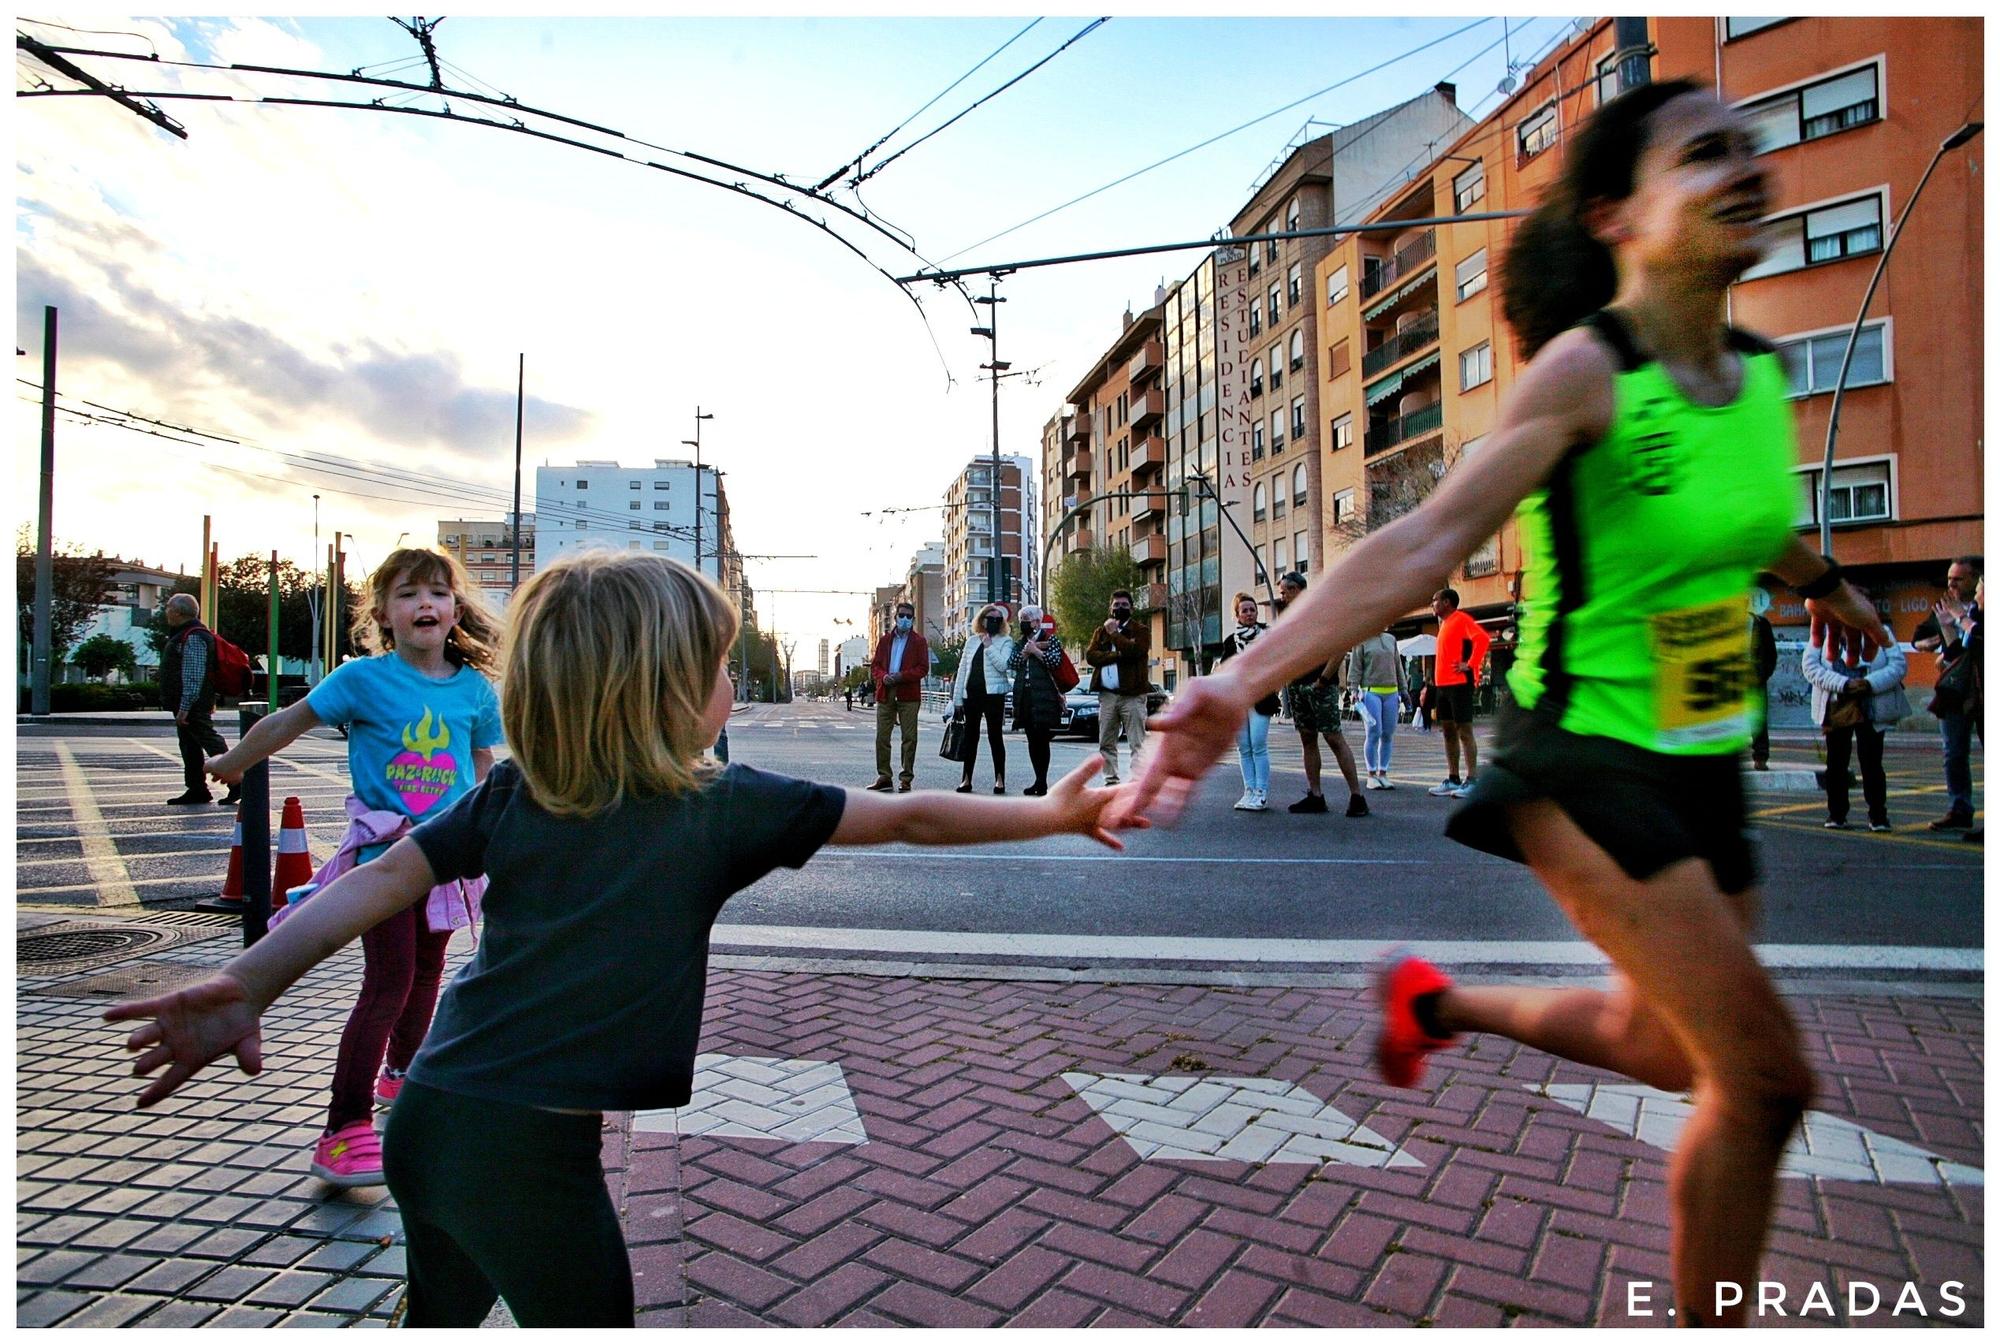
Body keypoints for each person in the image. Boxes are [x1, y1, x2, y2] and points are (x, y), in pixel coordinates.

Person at [1116, 81, 1892, 1326]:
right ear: (1613, 215)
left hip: (1697, 755)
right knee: (1760, 1084)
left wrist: (1834, 586)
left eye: (1749, 148)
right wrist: (1237, 675)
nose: (1743, 168)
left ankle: (1437, 1002)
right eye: (1702, 156)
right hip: (1582, 754)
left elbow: (1760, 528)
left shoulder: (1755, 374)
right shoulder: (1588, 374)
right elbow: (1423, 542)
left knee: (1661, 1049)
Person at [107, 550, 1136, 1328]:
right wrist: (1046, 816)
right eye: (720, 666)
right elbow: (906, 815)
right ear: (666, 691)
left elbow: (380, 879)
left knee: (435, 1325)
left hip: (433, 1121)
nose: (729, 686)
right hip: (525, 1155)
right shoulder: (713, 804)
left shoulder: (516, 788)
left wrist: (250, 981)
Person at [203, 548, 503, 1187]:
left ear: (455, 610)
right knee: (389, 979)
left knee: (427, 973)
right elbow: (289, 720)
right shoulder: (362, 680)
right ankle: (342, 1129)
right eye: (407, 594)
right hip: (381, 859)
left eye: (437, 593)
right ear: (383, 615)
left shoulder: (475, 690)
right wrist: (234, 762)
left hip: (444, 858)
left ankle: (400, 1077)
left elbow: (480, 761)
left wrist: (476, 820)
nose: (425, 604)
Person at [1801, 618, 1907, 832]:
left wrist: (1869, 683)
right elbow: (1810, 667)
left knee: (1872, 762)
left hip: (1871, 703)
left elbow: (1898, 665)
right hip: (1837, 704)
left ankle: (1878, 816)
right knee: (1836, 762)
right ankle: (1837, 815)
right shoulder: (1822, 632)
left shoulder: (1881, 632)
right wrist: (1843, 684)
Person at [1275, 572, 1367, 817]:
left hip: (1320, 684)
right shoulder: (1288, 617)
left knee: (1333, 737)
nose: (1283, 597)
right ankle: (1315, 795)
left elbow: (1339, 646)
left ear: (1299, 589)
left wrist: (1324, 679)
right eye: (1281, 592)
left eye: (1287, 591)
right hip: (1297, 684)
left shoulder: (1322, 612)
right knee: (1307, 738)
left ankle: (1357, 796)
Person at [1914, 556, 1982, 831]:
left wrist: (1959, 620)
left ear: (1975, 579)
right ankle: (1959, 808)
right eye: (1949, 579)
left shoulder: (1982, 607)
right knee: (1953, 752)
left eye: (1958, 579)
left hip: (1982, 687)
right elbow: (1918, 638)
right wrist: (1926, 643)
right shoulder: (1942, 607)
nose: (1951, 584)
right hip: (1954, 689)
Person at [159, 593, 241, 808]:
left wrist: (185, 706)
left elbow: (193, 674)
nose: (166, 610)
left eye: (168, 607)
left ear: (178, 612)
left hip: (192, 704)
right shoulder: (185, 634)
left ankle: (237, 781)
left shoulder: (193, 636)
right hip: (189, 702)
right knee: (190, 746)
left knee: (209, 740)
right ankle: (196, 788)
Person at [1214, 592, 1282, 810]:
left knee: (1258, 744)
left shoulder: (1267, 634)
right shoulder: (1231, 641)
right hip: (1239, 700)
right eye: (1245, 610)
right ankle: (1249, 790)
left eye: (1252, 609)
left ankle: (1261, 792)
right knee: (1244, 747)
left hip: (1262, 697)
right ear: (1237, 614)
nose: (1250, 614)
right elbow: (1226, 669)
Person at [1426, 588, 1491, 799]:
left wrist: (1470, 664)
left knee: (1465, 731)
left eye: (1435, 600)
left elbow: (1482, 639)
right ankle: (1453, 778)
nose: (1432, 604)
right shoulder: (1444, 624)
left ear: (1446, 602)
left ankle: (1472, 779)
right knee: (1448, 731)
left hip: (1459, 684)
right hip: (1442, 686)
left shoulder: (1461, 619)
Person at [1083, 588, 1151, 786]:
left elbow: (1135, 651)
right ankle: (1110, 780)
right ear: (1110, 608)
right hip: (1108, 696)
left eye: (1124, 605)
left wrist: (1115, 635)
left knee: (1137, 741)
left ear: (1131, 608)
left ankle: (1138, 781)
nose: (1119, 608)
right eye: (1116, 605)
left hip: (1132, 695)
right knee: (1106, 741)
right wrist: (1115, 655)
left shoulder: (1140, 630)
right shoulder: (1100, 631)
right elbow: (1091, 656)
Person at [952, 602, 1014, 794]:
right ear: (982, 620)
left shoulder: (1005, 641)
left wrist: (989, 647)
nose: (994, 622)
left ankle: (1000, 779)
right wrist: (957, 699)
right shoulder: (971, 641)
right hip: (971, 694)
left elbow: (1004, 666)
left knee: (996, 737)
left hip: (993, 695)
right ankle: (966, 779)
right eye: (990, 619)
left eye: (998, 619)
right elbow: (962, 670)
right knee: (971, 738)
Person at [868, 602, 929, 793]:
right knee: (882, 737)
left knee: (909, 737)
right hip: (886, 691)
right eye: (901, 615)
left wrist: (902, 676)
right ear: (895, 617)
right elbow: (875, 665)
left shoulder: (919, 641)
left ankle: (906, 778)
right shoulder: (885, 640)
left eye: (908, 617)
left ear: (913, 619)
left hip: (908, 694)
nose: (904, 619)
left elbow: (923, 668)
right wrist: (882, 676)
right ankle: (884, 776)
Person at [1008, 605, 1067, 796]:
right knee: (1032, 739)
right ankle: (1037, 779)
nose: (1023, 622)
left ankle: (1042, 781)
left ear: (1037, 621)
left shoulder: (1050, 640)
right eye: (1021, 619)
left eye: (1026, 618)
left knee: (1042, 738)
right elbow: (1012, 663)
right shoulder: (1021, 642)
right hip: (1024, 696)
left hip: (1045, 696)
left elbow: (1055, 661)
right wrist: (1025, 652)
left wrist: (1036, 651)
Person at [1347, 627, 1407, 789]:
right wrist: (1353, 689)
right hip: (1371, 692)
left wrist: (1404, 689)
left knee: (1388, 733)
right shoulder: (1361, 640)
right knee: (1374, 732)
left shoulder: (1391, 639)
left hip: (1392, 692)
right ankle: (1371, 774)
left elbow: (1398, 666)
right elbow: (1356, 667)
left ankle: (1383, 773)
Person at [1748, 595, 1778, 770]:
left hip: (1755, 680)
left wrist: (1763, 674)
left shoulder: (1760, 624)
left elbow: (1771, 654)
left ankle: (1760, 757)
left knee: (1758, 719)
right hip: (1732, 679)